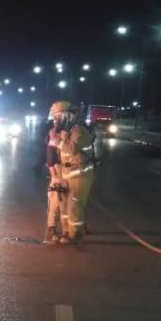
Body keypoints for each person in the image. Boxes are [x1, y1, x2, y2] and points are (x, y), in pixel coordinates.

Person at [51, 100, 97, 243]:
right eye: (55, 118)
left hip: (81, 175)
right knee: (64, 205)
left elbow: (71, 149)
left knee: (75, 205)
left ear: (68, 116)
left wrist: (57, 141)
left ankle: (75, 235)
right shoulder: (66, 131)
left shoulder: (79, 130)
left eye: (59, 117)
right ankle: (66, 232)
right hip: (67, 173)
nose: (56, 120)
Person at [43, 115, 64, 243]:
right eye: (57, 121)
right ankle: (51, 229)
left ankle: (62, 229)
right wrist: (53, 172)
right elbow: (50, 157)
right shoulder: (54, 135)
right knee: (55, 200)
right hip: (57, 170)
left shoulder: (62, 133)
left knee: (63, 202)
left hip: (64, 171)